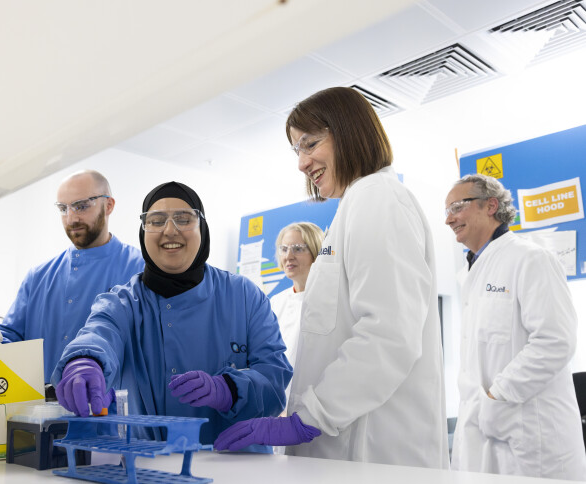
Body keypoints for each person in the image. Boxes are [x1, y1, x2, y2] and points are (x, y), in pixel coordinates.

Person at [214, 87, 449, 470]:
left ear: (348, 131)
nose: (302, 164)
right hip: (349, 450)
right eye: (297, 151)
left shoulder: (378, 197)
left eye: (310, 145)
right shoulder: (356, 204)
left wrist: (308, 420)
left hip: (371, 452)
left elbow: (387, 335)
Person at [50, 181, 292, 450]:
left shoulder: (245, 296)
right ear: (143, 232)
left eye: (183, 218)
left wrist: (228, 390)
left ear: (202, 228)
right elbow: (99, 334)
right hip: (150, 467)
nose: (169, 230)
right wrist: (84, 361)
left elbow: (275, 379)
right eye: (156, 220)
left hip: (238, 466)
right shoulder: (123, 302)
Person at [444, 174, 586, 480]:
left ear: (490, 205)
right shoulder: (469, 272)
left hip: (530, 437)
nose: (449, 219)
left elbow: (555, 341)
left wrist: (498, 396)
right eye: (446, 212)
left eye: (456, 207)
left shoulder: (531, 258)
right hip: (482, 434)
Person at [0, 170, 144, 383]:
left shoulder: (139, 269)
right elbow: (8, 341)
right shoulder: (38, 277)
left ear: (109, 205)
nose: (71, 218)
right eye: (63, 208)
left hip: (112, 412)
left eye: (81, 206)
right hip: (40, 413)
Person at [270, 222, 324, 390]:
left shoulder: (331, 300)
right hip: (278, 404)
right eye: (284, 249)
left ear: (316, 252)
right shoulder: (275, 303)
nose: (288, 256)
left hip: (317, 405)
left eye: (298, 249)